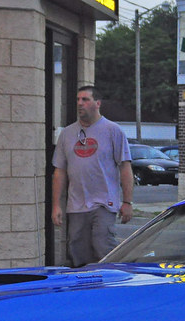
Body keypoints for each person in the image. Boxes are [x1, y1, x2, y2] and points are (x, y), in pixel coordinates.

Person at [51, 85, 134, 266]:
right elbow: (60, 171)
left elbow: (125, 167)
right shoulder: (67, 134)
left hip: (104, 203)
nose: (80, 104)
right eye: (78, 100)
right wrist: (56, 205)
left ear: (97, 103)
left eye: (85, 100)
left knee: (103, 246)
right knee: (78, 252)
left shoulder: (113, 131)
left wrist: (127, 202)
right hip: (76, 205)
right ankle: (84, 289)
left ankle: (112, 286)